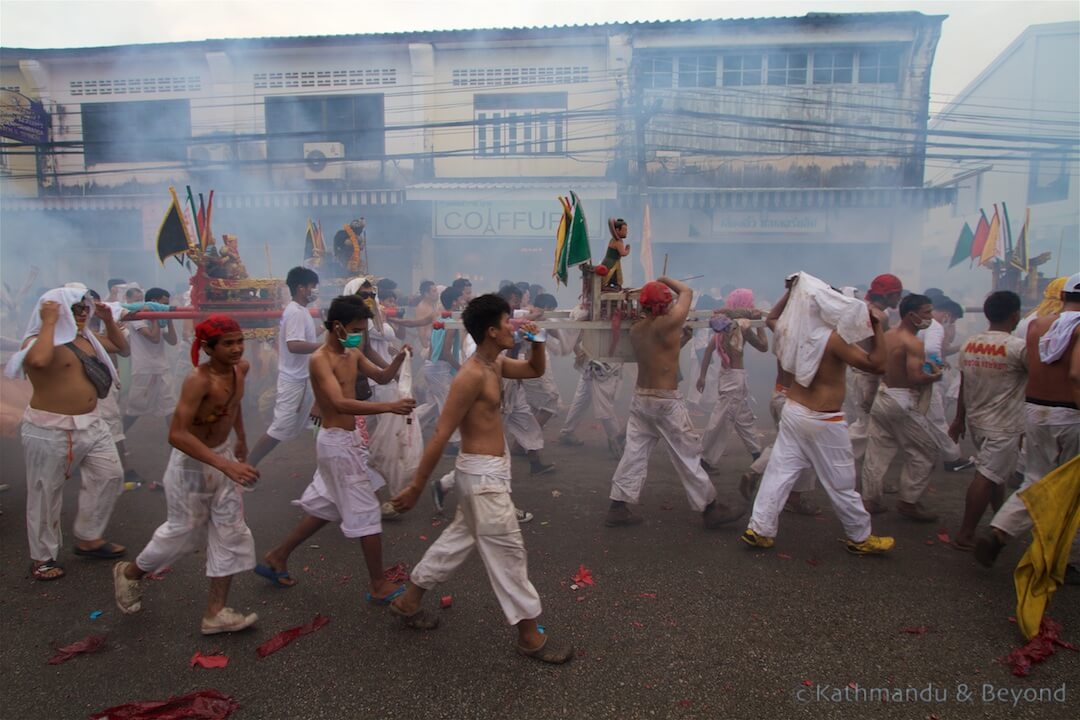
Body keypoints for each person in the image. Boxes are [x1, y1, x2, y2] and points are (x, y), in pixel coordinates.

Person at [388, 294, 573, 664]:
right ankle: (529, 637)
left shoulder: (496, 364)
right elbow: (441, 433)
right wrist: (415, 486)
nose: (512, 326)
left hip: (489, 474)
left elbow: (534, 371)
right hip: (482, 479)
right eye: (507, 322)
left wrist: (536, 343)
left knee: (456, 541)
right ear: (491, 331)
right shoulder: (472, 374)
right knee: (508, 555)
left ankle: (408, 601)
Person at [256, 296, 415, 595]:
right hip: (336, 444)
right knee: (368, 513)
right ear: (338, 326)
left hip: (349, 440)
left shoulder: (352, 353)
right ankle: (378, 583)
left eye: (363, 330)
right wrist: (389, 407)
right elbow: (339, 403)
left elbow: (382, 377)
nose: (360, 335)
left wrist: (399, 358)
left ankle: (277, 556)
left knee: (324, 507)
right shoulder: (320, 359)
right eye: (356, 329)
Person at [113, 315, 261, 634]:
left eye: (239, 341)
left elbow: (233, 407)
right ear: (208, 348)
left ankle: (215, 613)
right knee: (184, 532)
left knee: (231, 531)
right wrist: (226, 466)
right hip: (192, 466)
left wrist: (242, 442)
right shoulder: (198, 380)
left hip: (221, 459)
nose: (237, 349)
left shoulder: (241, 369)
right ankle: (130, 574)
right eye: (228, 343)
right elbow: (177, 435)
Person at [742, 275, 893, 555]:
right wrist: (877, 327)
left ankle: (759, 529)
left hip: (795, 410)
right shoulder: (832, 339)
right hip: (823, 419)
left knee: (779, 473)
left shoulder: (794, 329)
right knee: (842, 483)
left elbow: (771, 318)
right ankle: (860, 537)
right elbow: (878, 365)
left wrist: (791, 292)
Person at [6, 288, 130, 580]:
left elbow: (120, 347)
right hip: (49, 428)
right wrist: (49, 322)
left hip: (92, 423)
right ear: (58, 310)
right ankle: (43, 558)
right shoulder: (37, 341)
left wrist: (109, 320)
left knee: (110, 475)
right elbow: (36, 362)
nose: (82, 314)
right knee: (45, 494)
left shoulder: (86, 338)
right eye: (75, 309)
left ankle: (88, 537)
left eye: (84, 308)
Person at [605, 277, 741, 528]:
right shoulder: (668, 323)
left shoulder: (637, 329)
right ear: (665, 304)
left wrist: (682, 340)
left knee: (634, 454)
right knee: (688, 454)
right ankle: (710, 508)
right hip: (665, 401)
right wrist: (662, 279)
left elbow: (660, 353)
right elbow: (686, 291)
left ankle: (618, 506)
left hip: (641, 398)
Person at [975, 273, 1080, 582]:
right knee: (1071, 488)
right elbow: (1076, 375)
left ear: (1062, 297)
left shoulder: (1037, 324)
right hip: (1070, 413)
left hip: (1035, 409)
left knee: (1033, 480)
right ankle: (1069, 559)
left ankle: (1000, 531)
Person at [949, 291, 1026, 550]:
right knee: (986, 476)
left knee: (996, 474)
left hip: (977, 422)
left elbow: (963, 384)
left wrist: (959, 418)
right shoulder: (1017, 348)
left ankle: (1000, 520)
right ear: (1015, 315)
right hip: (1003, 425)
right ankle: (966, 533)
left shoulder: (970, 344)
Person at [860, 294, 943, 520]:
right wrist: (936, 375)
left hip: (883, 394)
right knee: (926, 451)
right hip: (901, 399)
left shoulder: (887, 336)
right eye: (926, 312)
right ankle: (909, 502)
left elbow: (877, 367)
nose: (930, 317)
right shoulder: (913, 342)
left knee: (877, 451)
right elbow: (916, 377)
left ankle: (870, 500)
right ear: (911, 315)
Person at [248, 267, 321, 467]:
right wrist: (326, 347)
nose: (315, 291)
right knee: (278, 431)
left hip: (304, 380)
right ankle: (246, 469)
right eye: (312, 287)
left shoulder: (301, 311)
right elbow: (294, 345)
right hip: (293, 383)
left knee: (321, 422)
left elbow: (305, 336)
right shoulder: (295, 312)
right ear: (301, 288)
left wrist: (325, 326)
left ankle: (327, 474)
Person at [697, 289, 767, 472]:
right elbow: (764, 346)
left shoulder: (723, 325)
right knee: (719, 421)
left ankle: (757, 455)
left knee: (743, 419)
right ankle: (703, 458)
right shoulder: (736, 326)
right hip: (734, 379)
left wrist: (702, 376)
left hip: (730, 376)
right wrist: (759, 324)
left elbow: (708, 350)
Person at [849, 274, 903, 465]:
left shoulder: (862, 310)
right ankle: (831, 461)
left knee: (868, 427)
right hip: (867, 376)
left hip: (857, 373)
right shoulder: (879, 316)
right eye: (897, 294)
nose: (899, 299)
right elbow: (881, 351)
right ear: (888, 295)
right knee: (865, 428)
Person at [122, 287, 178, 449]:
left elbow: (173, 340)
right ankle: (116, 436)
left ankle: (177, 445)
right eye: (164, 303)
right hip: (144, 369)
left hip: (162, 367)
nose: (166, 306)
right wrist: (155, 315)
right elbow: (154, 338)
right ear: (153, 302)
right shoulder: (138, 317)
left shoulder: (161, 318)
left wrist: (169, 318)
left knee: (170, 407)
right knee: (135, 409)